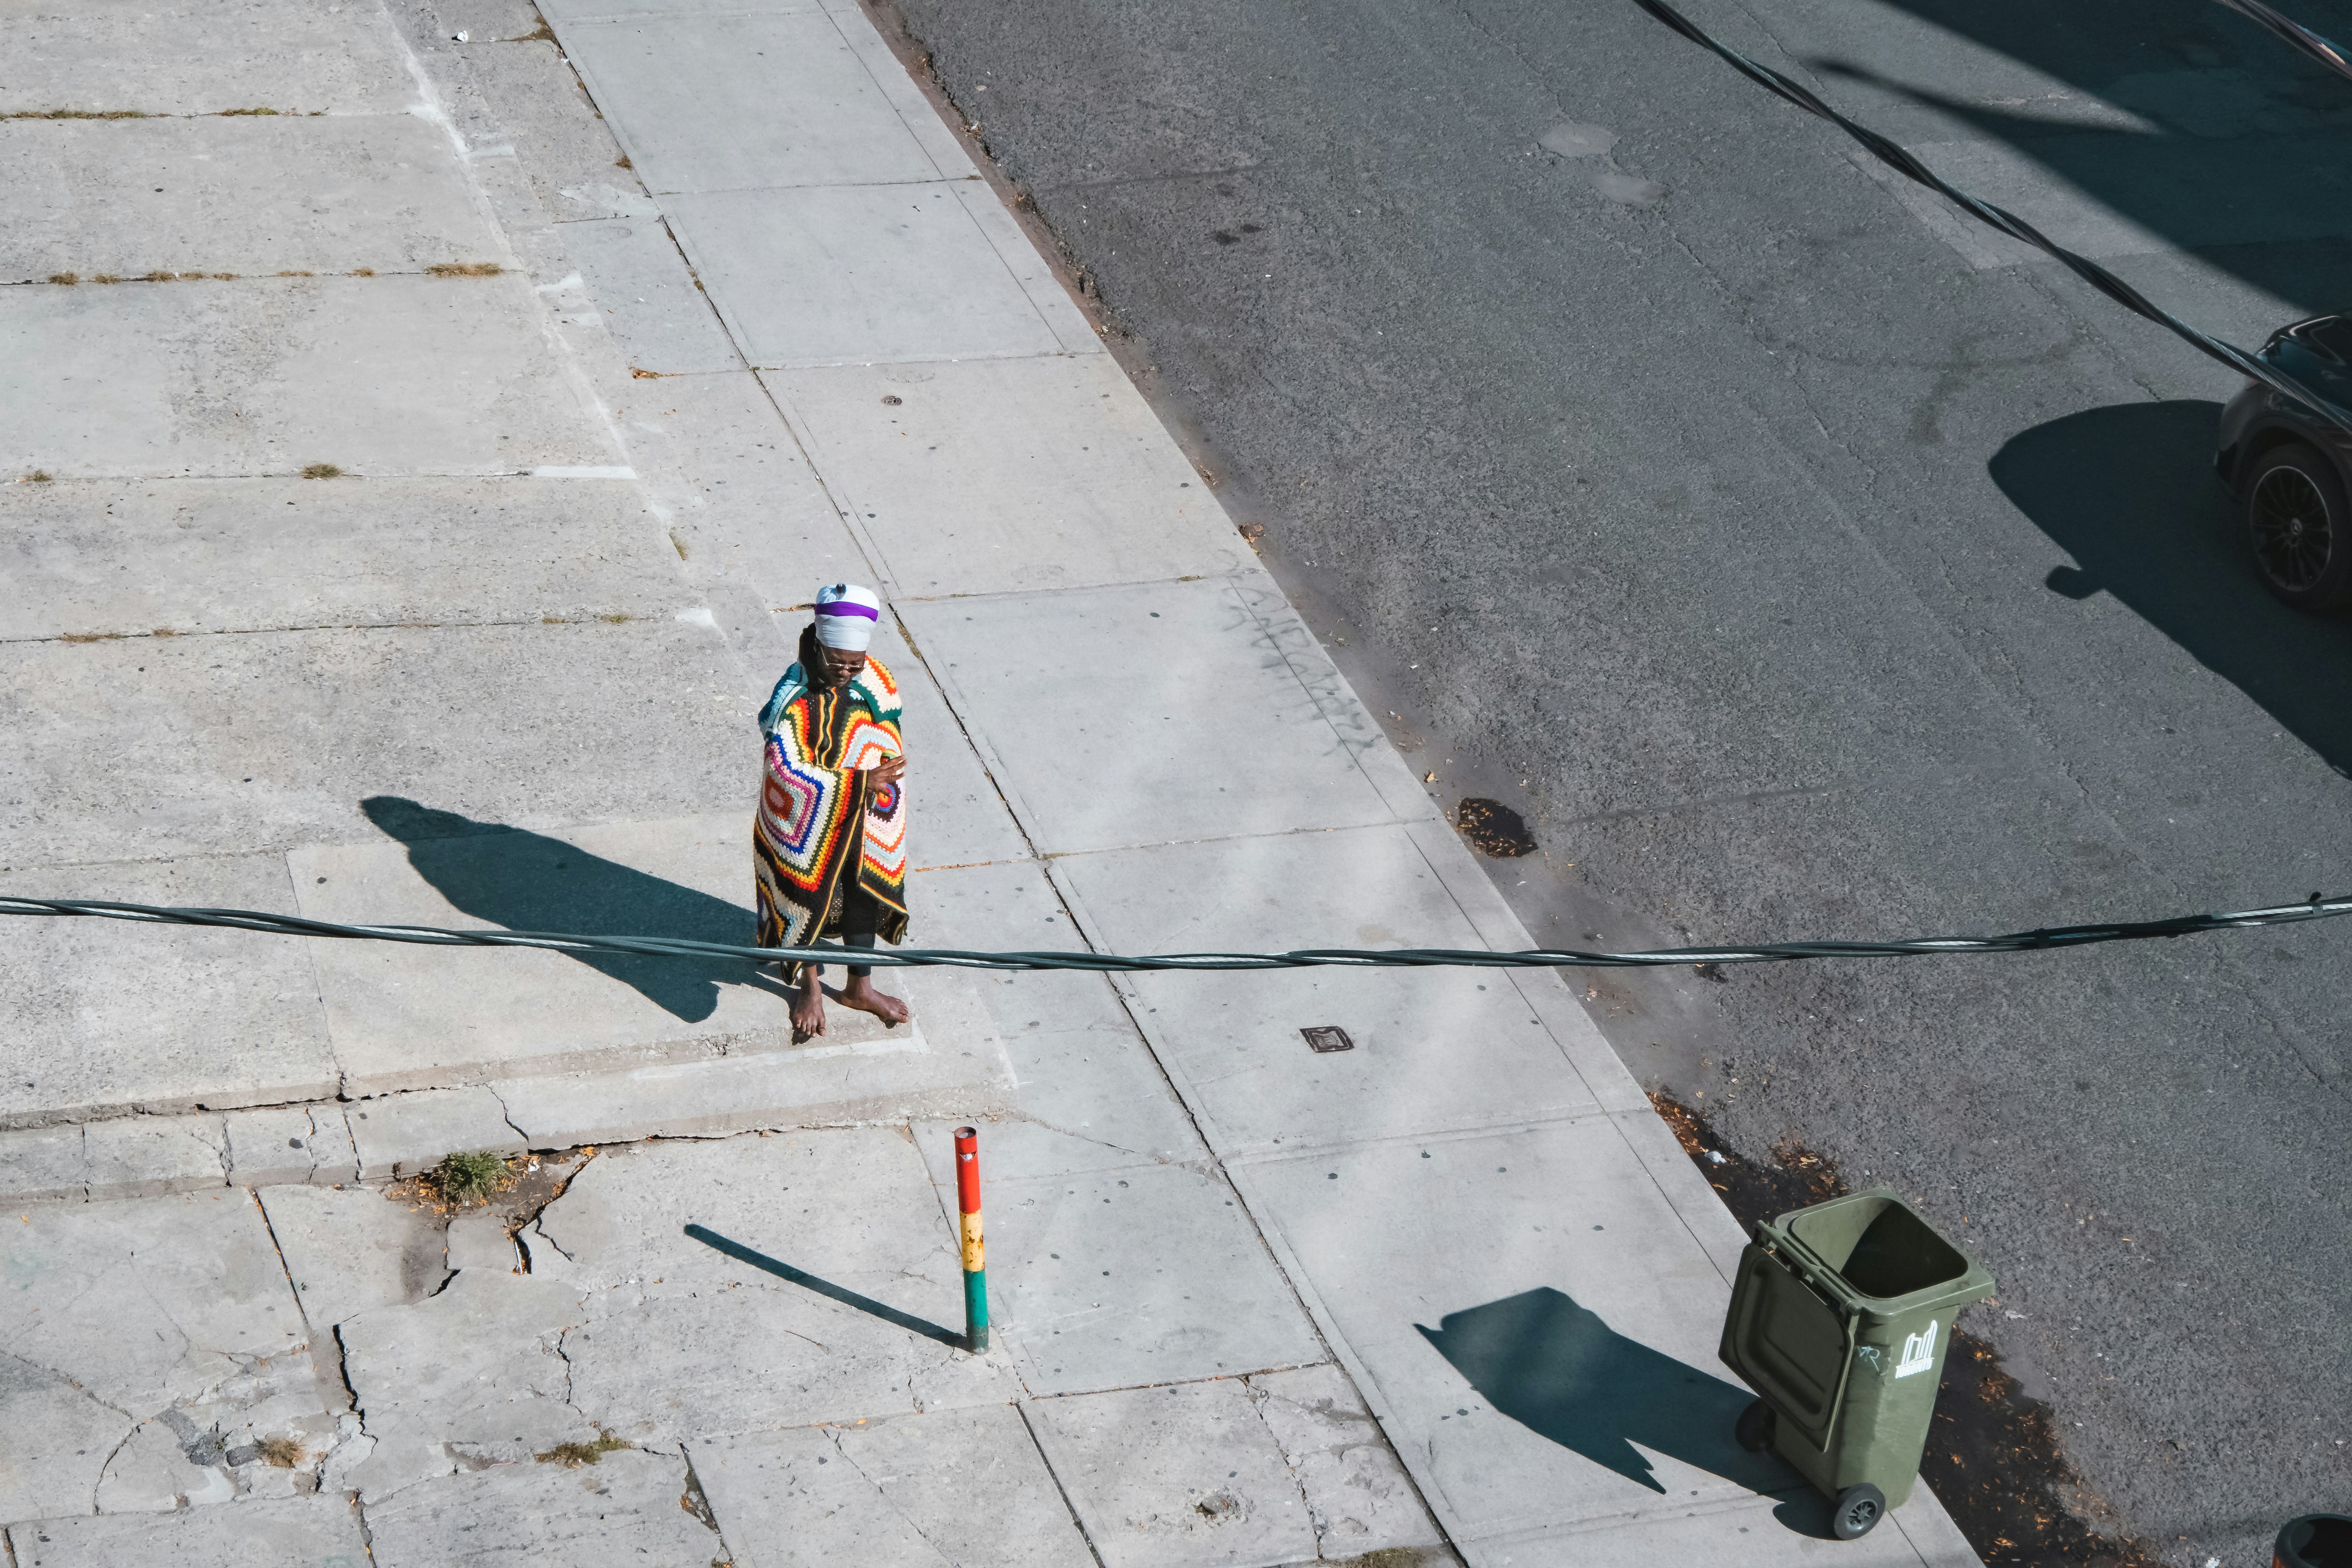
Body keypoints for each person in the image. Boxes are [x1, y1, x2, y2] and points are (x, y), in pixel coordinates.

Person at [753, 583, 910, 1038]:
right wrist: (859, 782)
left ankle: (860, 986)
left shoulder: (875, 679)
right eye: (836, 661)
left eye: (853, 663)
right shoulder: (793, 694)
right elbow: (784, 768)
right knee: (806, 897)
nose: (846, 671)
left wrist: (879, 773)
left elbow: (885, 732)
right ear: (818, 645)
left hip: (862, 817)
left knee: (864, 891)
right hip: (801, 821)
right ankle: (812, 986)